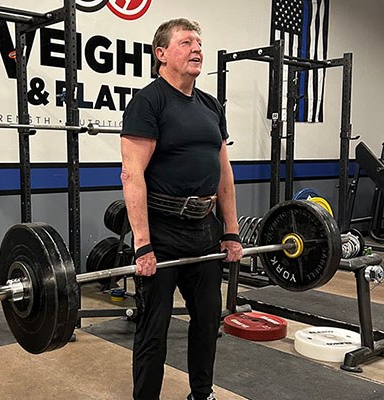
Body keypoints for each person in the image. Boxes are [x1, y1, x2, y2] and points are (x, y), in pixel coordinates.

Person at [119, 18, 243, 400]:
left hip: (203, 230)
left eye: (199, 43)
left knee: (207, 320)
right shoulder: (148, 102)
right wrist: (143, 244)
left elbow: (223, 172)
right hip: (162, 230)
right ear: (161, 54)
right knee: (154, 327)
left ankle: (201, 393)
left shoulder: (210, 106)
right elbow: (131, 173)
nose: (197, 49)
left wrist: (231, 230)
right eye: (186, 42)